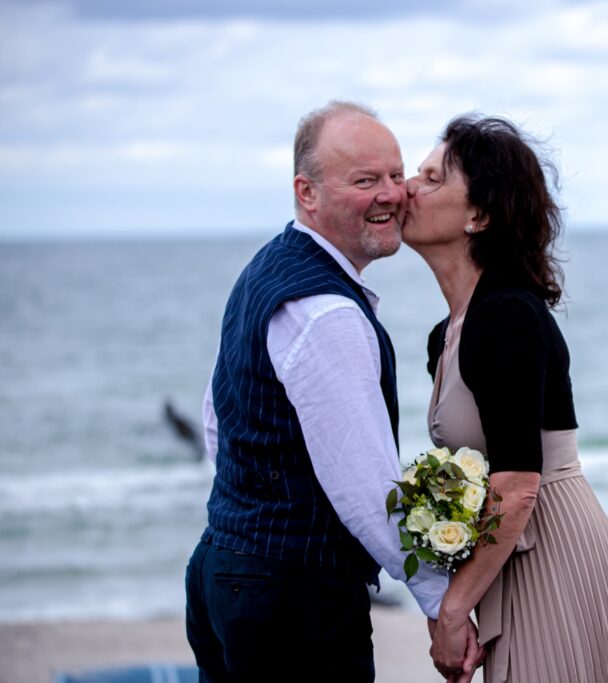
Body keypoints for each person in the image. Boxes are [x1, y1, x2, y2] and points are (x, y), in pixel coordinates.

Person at [184, 101, 472, 682]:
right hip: (293, 601)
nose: (392, 193)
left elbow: (220, 419)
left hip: (224, 572)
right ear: (307, 192)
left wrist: (255, 514)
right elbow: (369, 491)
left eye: (396, 175)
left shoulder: (267, 268)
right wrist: (443, 604)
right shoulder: (327, 312)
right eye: (365, 180)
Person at [404, 115, 608, 682]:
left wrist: (451, 610)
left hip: (556, 559)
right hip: (512, 563)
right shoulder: (448, 332)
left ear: (478, 215)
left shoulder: (507, 316)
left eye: (431, 178)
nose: (407, 187)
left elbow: (519, 484)